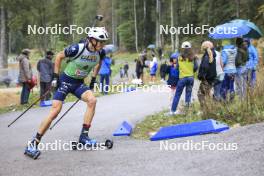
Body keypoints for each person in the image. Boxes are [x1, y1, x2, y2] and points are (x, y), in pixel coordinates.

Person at [24, 27, 112, 159]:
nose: (102, 44)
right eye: (100, 41)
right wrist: (55, 77)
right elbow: (59, 56)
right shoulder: (78, 48)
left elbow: (98, 64)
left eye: (104, 42)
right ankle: (33, 143)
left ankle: (84, 137)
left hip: (78, 84)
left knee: (92, 101)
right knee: (55, 111)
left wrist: (93, 78)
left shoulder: (100, 53)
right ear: (92, 40)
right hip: (65, 82)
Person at [170, 41, 198, 115]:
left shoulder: (179, 57)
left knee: (177, 95)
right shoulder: (193, 57)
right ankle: (187, 111)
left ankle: (173, 111)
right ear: (190, 48)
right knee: (188, 95)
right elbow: (196, 67)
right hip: (191, 78)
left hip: (182, 78)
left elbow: (176, 68)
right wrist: (190, 71)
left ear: (182, 48)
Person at [198, 41, 217, 109]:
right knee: (208, 94)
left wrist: (201, 76)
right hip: (212, 77)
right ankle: (210, 109)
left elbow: (204, 67)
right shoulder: (213, 54)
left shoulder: (206, 56)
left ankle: (204, 109)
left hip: (206, 78)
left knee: (200, 94)